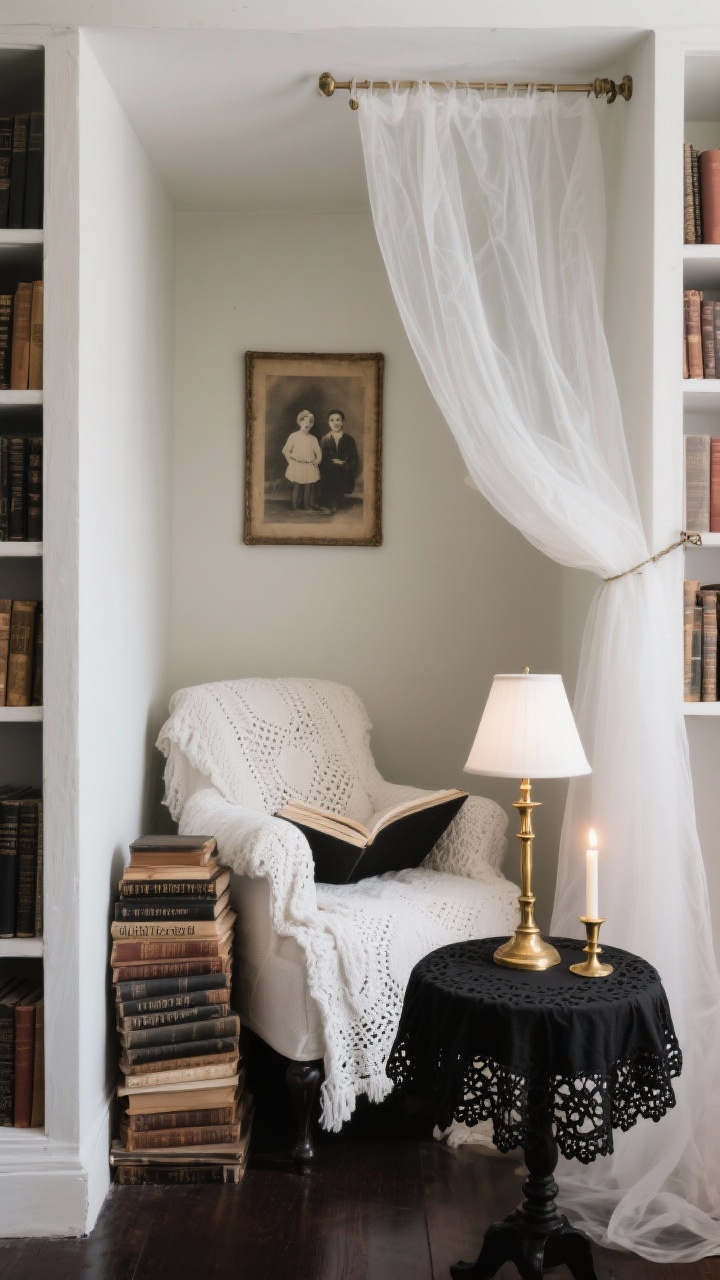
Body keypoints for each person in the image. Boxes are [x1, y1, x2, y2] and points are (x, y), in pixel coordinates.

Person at [318, 410, 359, 513]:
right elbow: (321, 458)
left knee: (338, 471)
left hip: (344, 470)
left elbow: (354, 458)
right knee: (331, 471)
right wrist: (333, 463)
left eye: (338, 420)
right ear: (328, 423)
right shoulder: (325, 439)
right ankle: (331, 503)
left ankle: (334, 502)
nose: (335, 422)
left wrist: (344, 463)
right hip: (329, 471)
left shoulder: (349, 439)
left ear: (342, 422)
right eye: (332, 420)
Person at [281, 409, 322, 511]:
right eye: (305, 421)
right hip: (297, 465)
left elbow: (318, 452)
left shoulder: (313, 439)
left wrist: (317, 461)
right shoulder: (293, 436)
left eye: (310, 422)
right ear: (300, 422)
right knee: (297, 484)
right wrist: (290, 460)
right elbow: (285, 450)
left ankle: (306, 505)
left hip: (309, 465)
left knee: (308, 485)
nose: (308, 424)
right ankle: (294, 505)